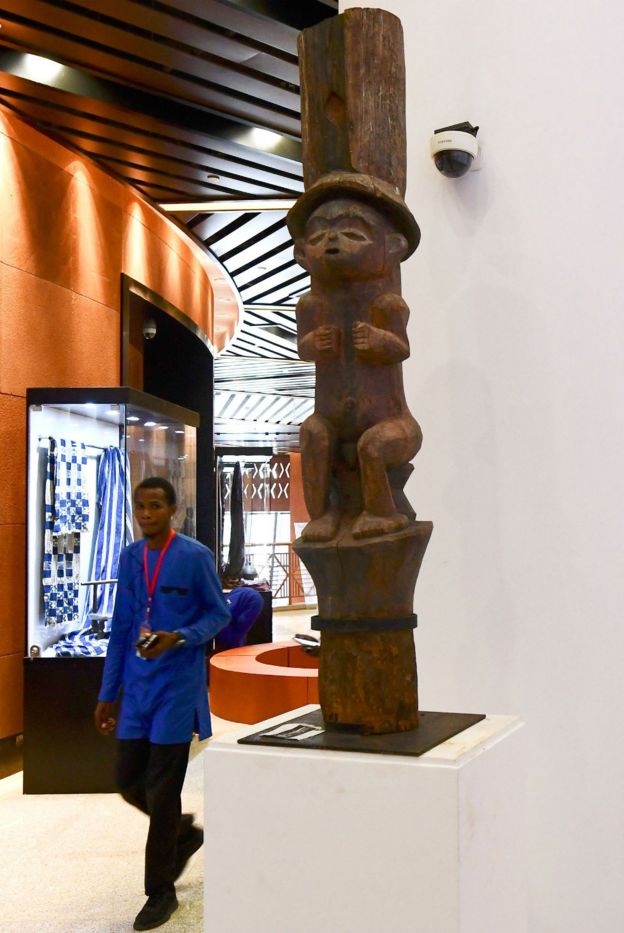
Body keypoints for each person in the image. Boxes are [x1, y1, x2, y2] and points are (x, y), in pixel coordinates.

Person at [94, 476, 230, 931]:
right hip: (136, 689)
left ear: (172, 509)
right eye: (140, 506)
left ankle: (160, 892)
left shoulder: (195, 557)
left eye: (155, 506)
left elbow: (220, 614)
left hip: (176, 688)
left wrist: (181, 637)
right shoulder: (130, 558)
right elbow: (119, 629)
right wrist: (107, 693)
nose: (146, 513)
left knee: (162, 790)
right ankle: (185, 835)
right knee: (127, 781)